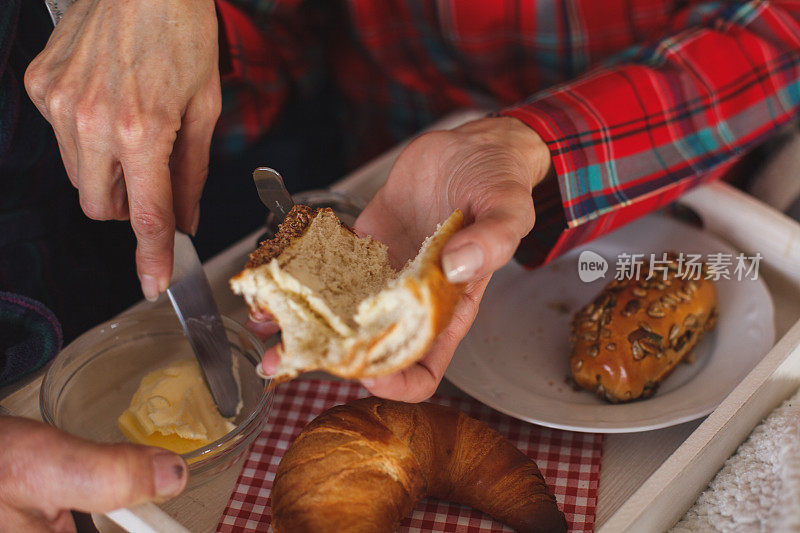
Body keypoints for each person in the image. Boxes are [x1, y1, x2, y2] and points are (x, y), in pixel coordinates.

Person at [3, 0, 800, 527]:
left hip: (687, 167)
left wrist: (533, 146)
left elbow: (779, 29)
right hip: (390, 171)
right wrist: (190, 26)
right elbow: (278, 47)